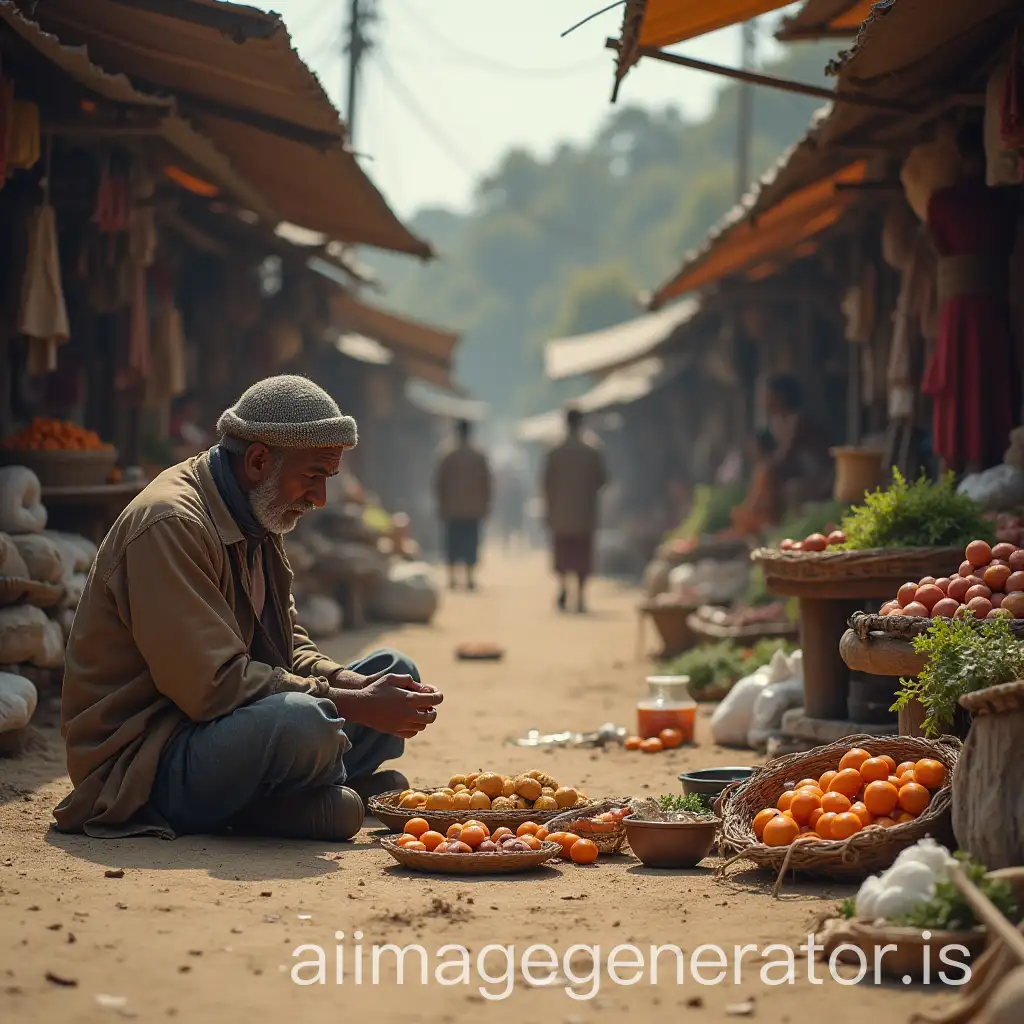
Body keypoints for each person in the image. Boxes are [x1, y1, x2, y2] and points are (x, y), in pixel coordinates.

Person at [53, 375, 442, 842]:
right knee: (305, 723)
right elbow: (213, 687)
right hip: (147, 759)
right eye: (313, 476)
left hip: (221, 730)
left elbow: (285, 645)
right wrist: (354, 705)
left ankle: (297, 792)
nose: (319, 500)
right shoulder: (171, 523)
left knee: (395, 669)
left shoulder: (257, 512)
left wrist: (357, 686)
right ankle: (278, 801)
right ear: (259, 461)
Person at [542, 406, 607, 613]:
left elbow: (546, 483)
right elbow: (602, 479)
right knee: (582, 557)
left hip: (560, 514)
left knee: (563, 555)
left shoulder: (554, 450)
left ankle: (563, 587)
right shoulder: (592, 450)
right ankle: (580, 596)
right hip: (584, 514)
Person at [434, 419, 492, 590]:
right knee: (470, 544)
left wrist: (441, 504)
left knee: (453, 544)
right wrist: (485, 505)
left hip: (452, 509)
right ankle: (469, 578)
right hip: (473, 510)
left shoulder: (447, 454)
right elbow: (487, 484)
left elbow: (439, 483)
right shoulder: (478, 456)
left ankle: (452, 578)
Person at [764, 374, 832, 509]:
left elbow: (787, 454)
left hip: (817, 476)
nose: (763, 398)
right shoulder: (775, 422)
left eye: (767, 393)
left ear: (780, 396)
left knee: (789, 488)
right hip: (796, 473)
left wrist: (767, 467)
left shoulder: (796, 421)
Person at [730, 430, 781, 537]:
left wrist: (752, 507)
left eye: (753, 445)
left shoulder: (768, 467)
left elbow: (766, 497)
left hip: (764, 514)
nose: (750, 450)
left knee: (741, 516)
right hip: (756, 510)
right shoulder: (760, 466)